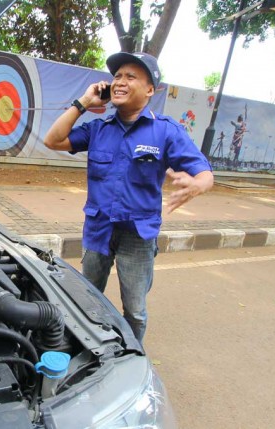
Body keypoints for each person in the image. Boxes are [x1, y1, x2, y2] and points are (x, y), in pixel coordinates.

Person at [43, 52, 213, 343]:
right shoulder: (99, 129)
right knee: (86, 299)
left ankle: (132, 359)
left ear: (150, 89)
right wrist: (83, 103)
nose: (120, 81)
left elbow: (205, 173)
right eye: (117, 76)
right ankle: (85, 348)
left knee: (134, 311)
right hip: (98, 230)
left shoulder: (165, 131)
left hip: (138, 235)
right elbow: (53, 140)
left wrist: (197, 184)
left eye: (130, 77)